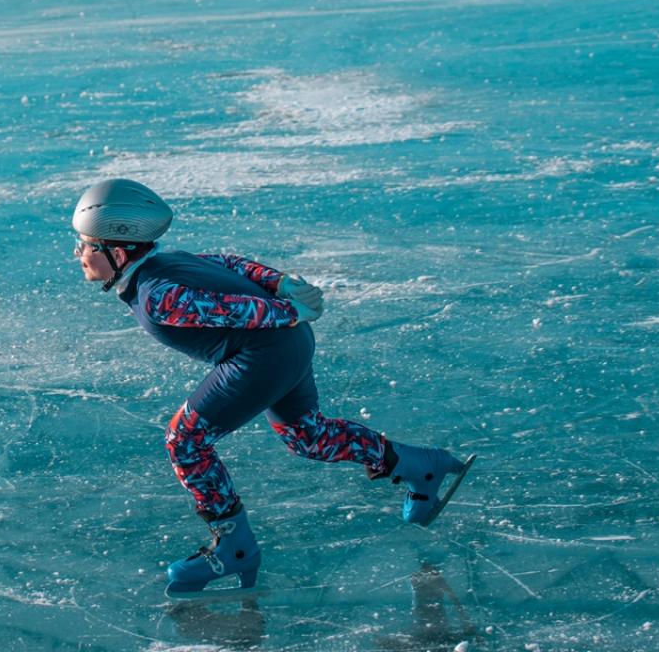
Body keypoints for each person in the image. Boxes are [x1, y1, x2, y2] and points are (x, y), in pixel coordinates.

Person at [71, 178, 474, 597]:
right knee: (308, 436)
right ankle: (421, 466)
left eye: (86, 246)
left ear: (117, 254)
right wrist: (281, 285)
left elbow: (232, 310)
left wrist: (286, 305)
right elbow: (230, 264)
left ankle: (234, 548)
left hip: (266, 354)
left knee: (185, 441)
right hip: (289, 343)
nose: (80, 255)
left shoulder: (156, 295)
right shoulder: (166, 262)